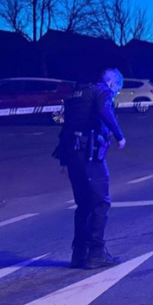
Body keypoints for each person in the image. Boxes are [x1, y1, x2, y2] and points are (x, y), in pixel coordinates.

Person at [54, 68, 126, 269]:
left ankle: (79, 254)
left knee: (84, 204)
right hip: (89, 152)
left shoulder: (77, 94)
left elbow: (66, 127)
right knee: (101, 202)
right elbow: (105, 111)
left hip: (72, 152)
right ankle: (96, 252)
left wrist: (63, 161)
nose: (116, 94)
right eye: (118, 89)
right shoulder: (102, 91)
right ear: (112, 83)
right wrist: (119, 135)